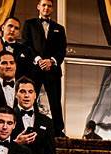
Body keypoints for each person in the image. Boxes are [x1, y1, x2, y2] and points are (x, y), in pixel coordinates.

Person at [22, 0, 67, 135]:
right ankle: (31, 127)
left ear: (52, 9)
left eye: (49, 6)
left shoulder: (59, 28)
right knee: (30, 98)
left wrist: (51, 61)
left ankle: (58, 130)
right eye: (44, 5)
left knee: (55, 100)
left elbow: (62, 50)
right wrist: (38, 60)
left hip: (52, 70)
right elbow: (26, 45)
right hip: (34, 69)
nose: (46, 8)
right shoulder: (29, 24)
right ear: (38, 7)